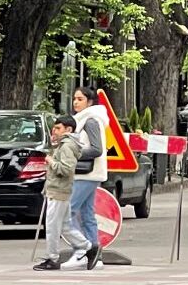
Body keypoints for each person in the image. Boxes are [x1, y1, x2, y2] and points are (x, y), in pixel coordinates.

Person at [33, 115, 92, 272]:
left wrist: (51, 161)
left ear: (68, 130)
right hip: (60, 190)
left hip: (58, 191)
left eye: (58, 128)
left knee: (52, 227)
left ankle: (53, 259)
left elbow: (66, 170)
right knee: (65, 226)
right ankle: (86, 246)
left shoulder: (66, 146)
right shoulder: (66, 145)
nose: (54, 131)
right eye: (54, 128)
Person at [69, 87, 108, 270]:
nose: (76, 102)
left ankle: (81, 251)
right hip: (90, 173)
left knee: (67, 211)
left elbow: (96, 149)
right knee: (87, 215)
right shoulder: (85, 119)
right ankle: (95, 256)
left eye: (80, 99)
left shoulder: (90, 121)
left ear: (90, 102)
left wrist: (72, 153)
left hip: (87, 173)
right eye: (74, 99)